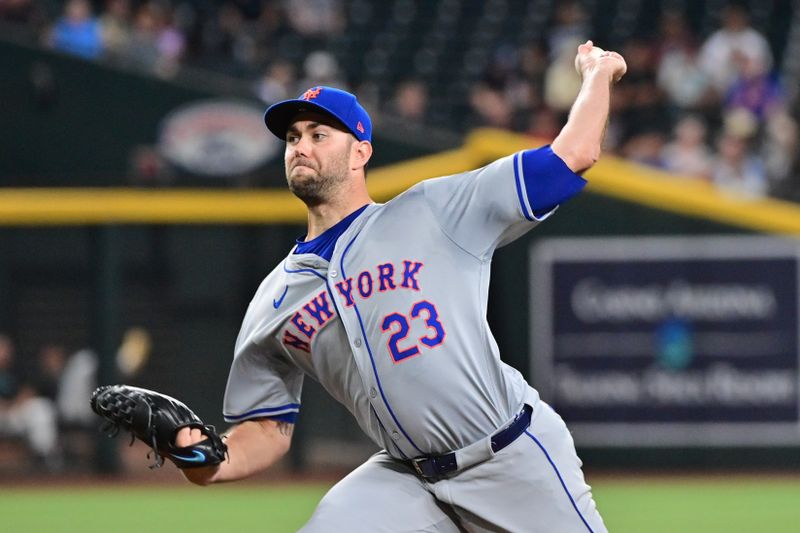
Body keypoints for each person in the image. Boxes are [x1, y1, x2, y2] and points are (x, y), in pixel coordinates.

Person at [176, 40, 626, 532]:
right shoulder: (273, 300)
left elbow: (574, 155)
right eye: (293, 137)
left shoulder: (434, 210)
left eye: (319, 134)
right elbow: (266, 429)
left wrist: (597, 74)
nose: (300, 146)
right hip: (406, 480)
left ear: (360, 152)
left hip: (510, 455)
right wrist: (205, 458)